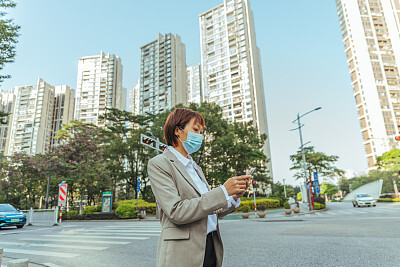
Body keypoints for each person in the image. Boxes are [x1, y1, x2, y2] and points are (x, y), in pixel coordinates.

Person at [147, 108, 251, 267]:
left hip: (209, 245)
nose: (200, 136)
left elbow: (209, 210)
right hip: (182, 252)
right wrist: (223, 190)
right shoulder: (159, 164)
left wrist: (232, 197)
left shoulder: (195, 168)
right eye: (196, 130)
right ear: (177, 131)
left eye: (201, 132)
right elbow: (176, 211)